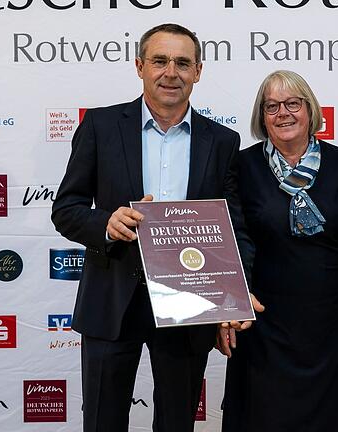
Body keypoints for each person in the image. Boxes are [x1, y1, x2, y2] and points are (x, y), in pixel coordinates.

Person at [51, 23, 259, 432]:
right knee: (102, 421)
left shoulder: (222, 141)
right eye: (160, 61)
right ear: (140, 66)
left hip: (188, 306)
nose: (171, 72)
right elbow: (66, 209)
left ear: (198, 71)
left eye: (183, 63)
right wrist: (106, 223)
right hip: (111, 302)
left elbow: (235, 228)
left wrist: (236, 298)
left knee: (177, 422)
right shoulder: (100, 126)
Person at [221, 70, 338, 432]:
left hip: (328, 321)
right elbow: (226, 241)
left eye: (293, 103)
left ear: (310, 110)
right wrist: (226, 307)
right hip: (261, 322)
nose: (283, 113)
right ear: (261, 116)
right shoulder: (243, 166)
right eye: (271, 106)